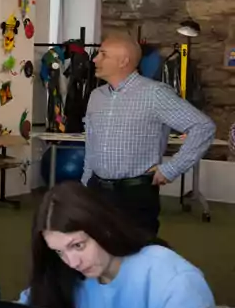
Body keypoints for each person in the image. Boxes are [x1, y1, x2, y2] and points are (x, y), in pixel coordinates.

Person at [21, 181, 228, 308]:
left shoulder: (171, 277)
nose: (72, 262)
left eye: (78, 246)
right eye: (59, 252)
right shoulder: (64, 274)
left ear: (104, 228)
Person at [83, 34, 215, 235]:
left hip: (135, 194)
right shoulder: (96, 96)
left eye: (103, 54)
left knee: (138, 255)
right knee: (98, 253)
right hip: (97, 190)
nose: (95, 59)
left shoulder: (154, 93)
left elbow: (203, 126)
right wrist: (85, 183)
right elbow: (91, 143)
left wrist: (171, 169)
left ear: (123, 61)